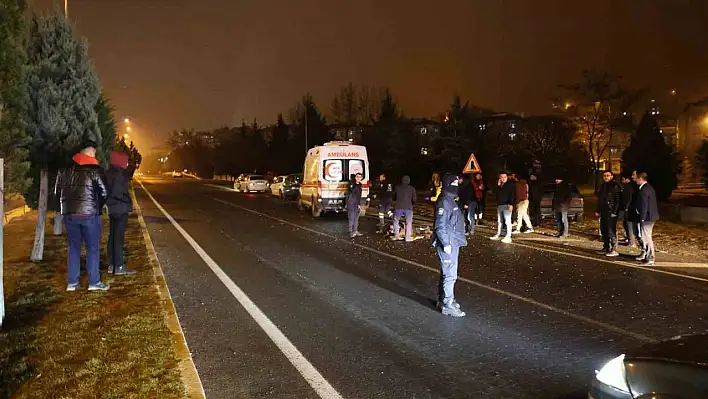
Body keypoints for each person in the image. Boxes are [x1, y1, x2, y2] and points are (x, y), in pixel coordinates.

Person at [55, 141, 109, 291]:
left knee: (73, 248)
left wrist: (65, 208)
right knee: (92, 248)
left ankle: (72, 283)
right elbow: (104, 192)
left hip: (69, 215)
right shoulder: (94, 170)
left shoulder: (64, 171)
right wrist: (96, 206)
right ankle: (94, 282)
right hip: (89, 214)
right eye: (94, 153)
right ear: (90, 153)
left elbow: (57, 193)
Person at [432, 174, 467, 317]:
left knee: (447, 273)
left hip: (453, 241)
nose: (456, 186)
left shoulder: (450, 200)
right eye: (453, 183)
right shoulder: (445, 202)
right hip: (449, 243)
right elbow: (440, 226)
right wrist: (446, 243)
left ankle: (444, 300)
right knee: (450, 275)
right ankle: (447, 304)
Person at [106, 151, 137, 275]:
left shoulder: (109, 173)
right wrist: (127, 201)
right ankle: (119, 266)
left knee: (112, 236)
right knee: (118, 238)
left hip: (112, 208)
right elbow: (117, 192)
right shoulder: (119, 174)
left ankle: (112, 264)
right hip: (120, 208)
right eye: (126, 161)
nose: (127, 163)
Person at [595, 170, 621, 257]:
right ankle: (606, 247)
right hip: (604, 211)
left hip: (611, 212)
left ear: (612, 176)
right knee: (604, 229)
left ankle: (614, 248)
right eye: (604, 176)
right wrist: (598, 210)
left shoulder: (615, 186)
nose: (606, 177)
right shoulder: (603, 186)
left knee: (611, 230)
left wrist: (614, 212)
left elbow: (617, 200)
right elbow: (600, 199)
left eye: (608, 175)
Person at [635, 172, 659, 265]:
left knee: (646, 238)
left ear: (640, 179)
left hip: (647, 218)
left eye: (637, 178)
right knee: (646, 237)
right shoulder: (649, 188)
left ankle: (650, 258)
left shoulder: (644, 190)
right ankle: (648, 257)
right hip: (650, 216)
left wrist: (642, 218)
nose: (635, 180)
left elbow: (644, 205)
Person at [490, 171, 515, 244]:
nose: (503, 178)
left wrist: (511, 204)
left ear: (507, 177)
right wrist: (498, 185)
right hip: (500, 205)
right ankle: (498, 234)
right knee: (500, 221)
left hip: (507, 205)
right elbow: (495, 193)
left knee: (508, 221)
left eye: (504, 177)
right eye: (501, 177)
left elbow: (512, 195)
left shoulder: (510, 185)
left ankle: (508, 236)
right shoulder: (500, 185)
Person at [392, 175, 416, 241]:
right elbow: (414, 199)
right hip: (408, 207)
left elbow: (393, 197)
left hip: (398, 207)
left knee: (396, 220)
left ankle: (396, 235)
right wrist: (412, 204)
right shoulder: (412, 188)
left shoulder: (397, 187)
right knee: (408, 222)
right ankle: (407, 237)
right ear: (409, 181)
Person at [619, 174, 639, 247]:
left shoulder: (628, 187)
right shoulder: (632, 186)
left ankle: (631, 241)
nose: (622, 181)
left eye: (623, 179)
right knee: (627, 224)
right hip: (629, 208)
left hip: (628, 209)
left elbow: (627, 198)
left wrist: (626, 207)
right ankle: (630, 239)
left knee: (628, 225)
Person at [346, 173, 364, 238]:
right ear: (355, 177)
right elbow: (352, 191)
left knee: (356, 218)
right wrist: (356, 184)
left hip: (356, 203)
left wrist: (359, 204)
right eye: (357, 177)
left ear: (361, 178)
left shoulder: (360, 185)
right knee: (351, 217)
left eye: (360, 177)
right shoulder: (351, 183)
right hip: (351, 202)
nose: (358, 178)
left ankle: (355, 230)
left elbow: (359, 195)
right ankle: (351, 231)